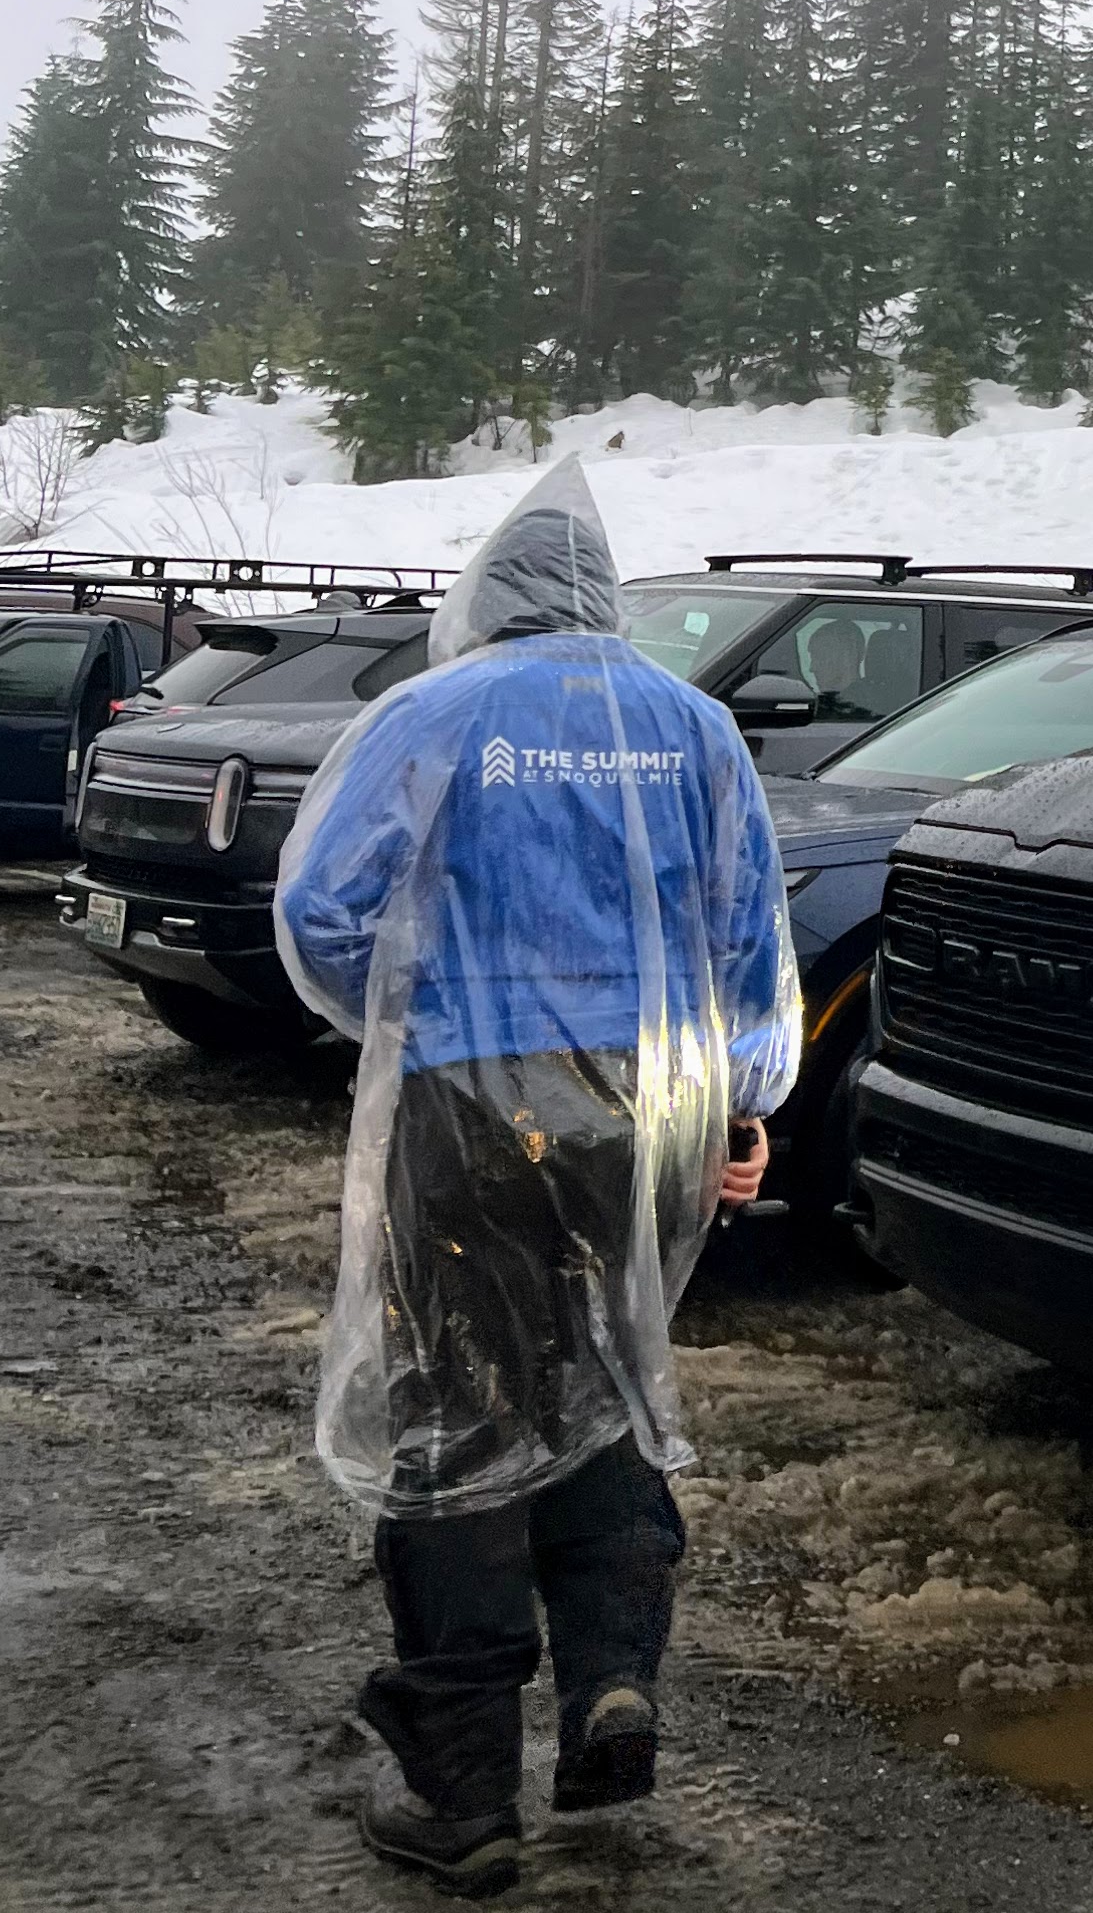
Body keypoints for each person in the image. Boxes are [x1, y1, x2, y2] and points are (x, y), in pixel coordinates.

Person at [275, 460, 800, 1898]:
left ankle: (464, 1796)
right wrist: (740, 1108)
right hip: (651, 1115)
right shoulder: (693, 727)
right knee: (611, 1377)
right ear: (606, 591)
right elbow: (750, 947)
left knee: (455, 1415)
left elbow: (321, 910)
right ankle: (611, 1684)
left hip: (468, 1110)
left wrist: (401, 1022)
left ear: (486, 594)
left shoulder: (435, 715)